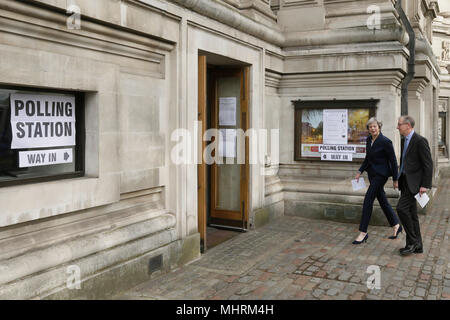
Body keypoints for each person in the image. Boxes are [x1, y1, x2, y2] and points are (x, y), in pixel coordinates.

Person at [353, 117, 402, 244]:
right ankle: (396, 225)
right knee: (382, 200)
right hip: (372, 174)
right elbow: (367, 158)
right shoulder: (369, 140)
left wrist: (395, 179)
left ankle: (363, 232)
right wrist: (360, 171)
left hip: (381, 175)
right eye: (370, 127)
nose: (373, 128)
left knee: (368, 199)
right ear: (368, 129)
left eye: (375, 126)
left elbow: (393, 161)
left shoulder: (386, 142)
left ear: (379, 127)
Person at [396, 115, 433, 256]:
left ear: (408, 125)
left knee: (401, 208)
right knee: (412, 214)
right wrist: (398, 178)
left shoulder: (420, 141)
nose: (397, 127)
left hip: (415, 185)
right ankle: (418, 246)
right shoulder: (403, 140)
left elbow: (428, 165)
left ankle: (412, 242)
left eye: (399, 124)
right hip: (405, 182)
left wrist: (425, 185)